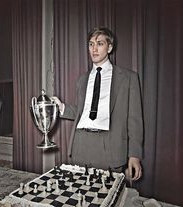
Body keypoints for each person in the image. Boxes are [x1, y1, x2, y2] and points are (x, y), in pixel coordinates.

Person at [52, 27, 143, 181]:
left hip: (109, 146)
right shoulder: (82, 80)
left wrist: (134, 155)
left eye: (99, 44)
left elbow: (134, 119)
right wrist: (61, 107)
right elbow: (83, 112)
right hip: (80, 143)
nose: (94, 49)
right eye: (91, 44)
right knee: (79, 194)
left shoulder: (128, 78)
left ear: (110, 47)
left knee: (107, 198)